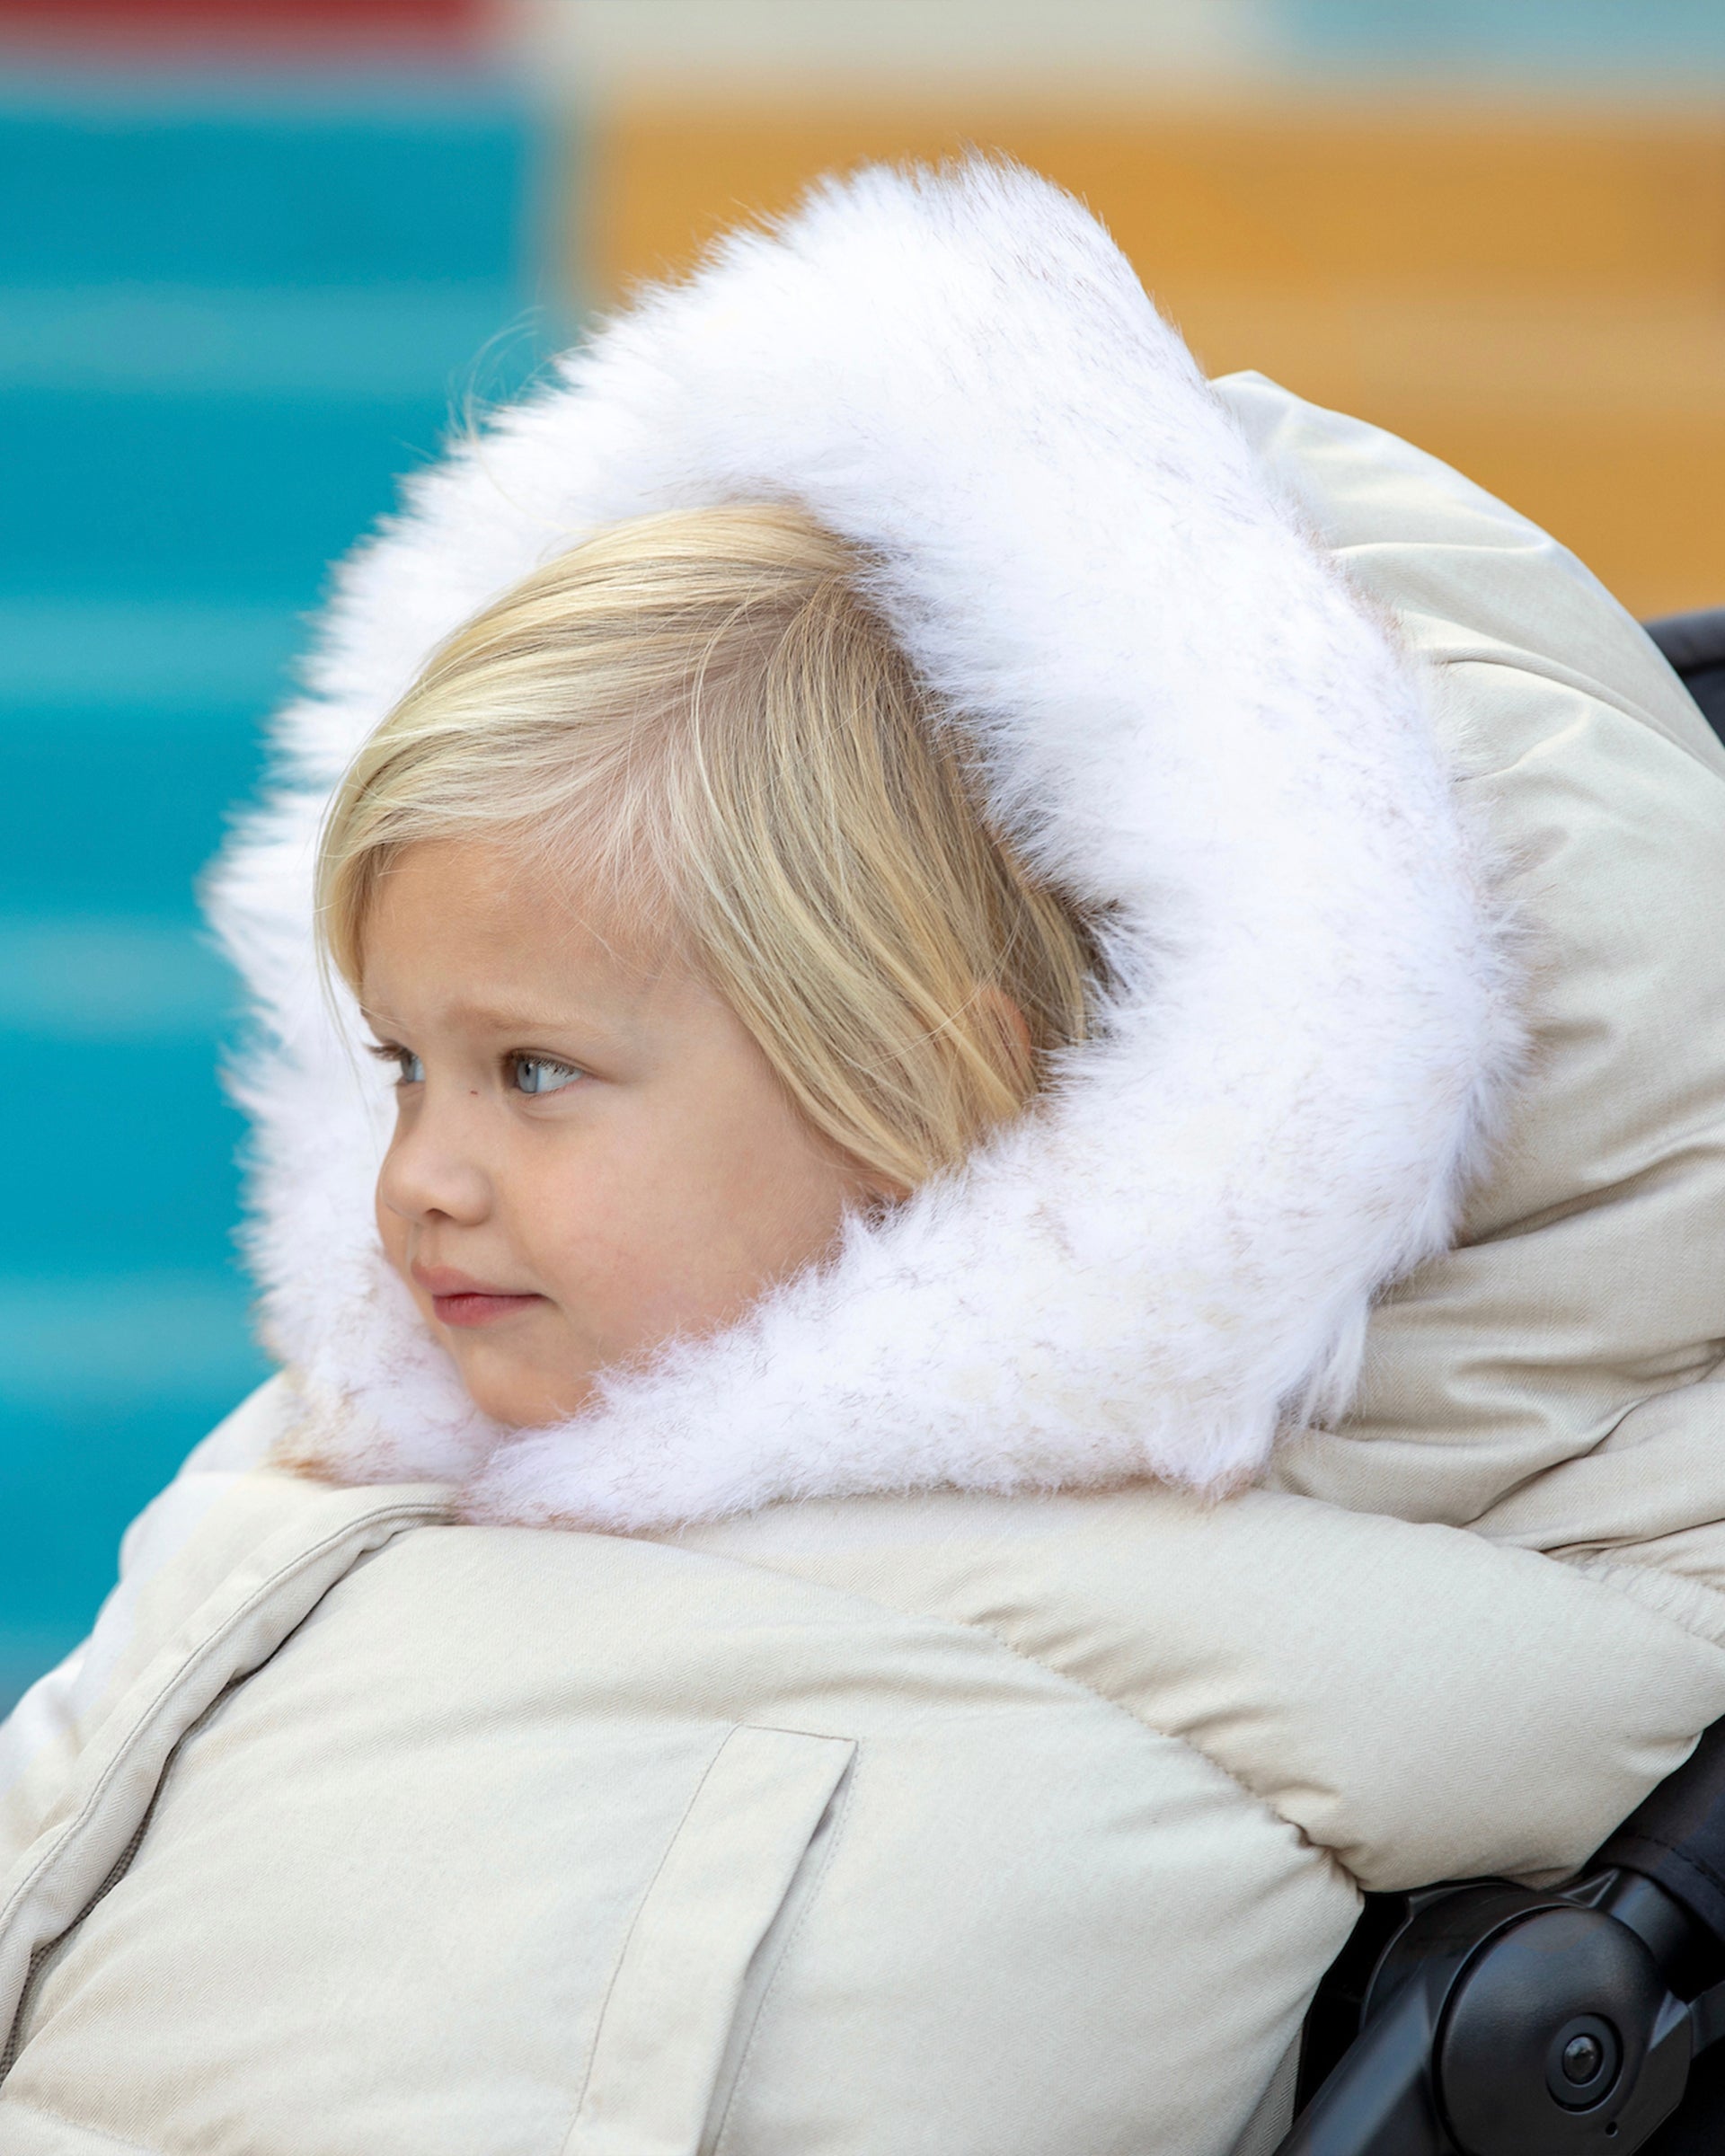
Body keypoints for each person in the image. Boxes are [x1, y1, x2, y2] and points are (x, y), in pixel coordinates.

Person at [3, 158, 1724, 2156]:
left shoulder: (1345, 1643)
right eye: (401, 1067)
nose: (419, 1181)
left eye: (535, 1074)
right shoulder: (312, 1491)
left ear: (911, 1086)